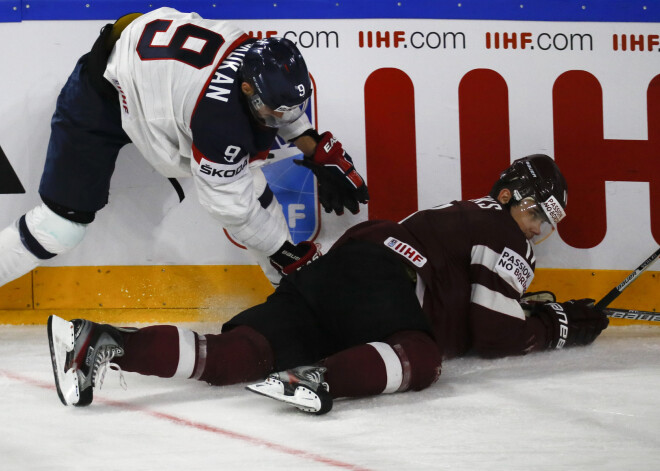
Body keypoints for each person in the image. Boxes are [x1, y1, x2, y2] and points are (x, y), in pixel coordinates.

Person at [47, 154, 609, 414]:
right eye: (539, 216)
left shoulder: (459, 216)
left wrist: (525, 308)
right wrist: (556, 327)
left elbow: (475, 300)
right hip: (384, 283)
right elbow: (494, 332)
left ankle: (101, 342)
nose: (539, 230)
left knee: (237, 354)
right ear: (514, 198)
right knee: (423, 355)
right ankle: (321, 379)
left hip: (335, 273)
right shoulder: (500, 227)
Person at [0, 7, 368, 288]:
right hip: (100, 98)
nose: (280, 118)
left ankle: (292, 292)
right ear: (245, 89)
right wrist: (283, 252)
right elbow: (228, 206)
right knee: (60, 228)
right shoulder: (220, 121)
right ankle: (294, 287)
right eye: (274, 112)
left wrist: (312, 144)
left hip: (150, 76)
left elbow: (275, 104)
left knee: (252, 188)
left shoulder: (255, 57)